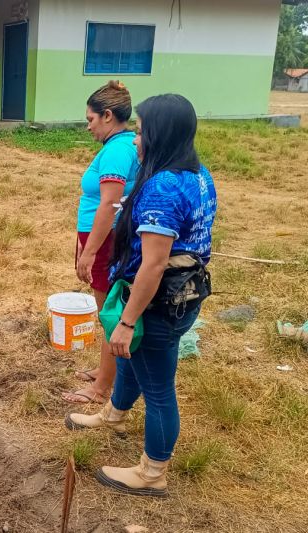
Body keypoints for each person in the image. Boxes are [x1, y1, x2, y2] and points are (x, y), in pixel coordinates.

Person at [65, 94, 216, 497]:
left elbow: (152, 264)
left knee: (159, 387)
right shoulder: (199, 174)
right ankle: (114, 413)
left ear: (160, 134)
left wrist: (128, 320)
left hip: (159, 301)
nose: (135, 140)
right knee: (128, 356)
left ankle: (153, 472)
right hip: (186, 291)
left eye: (142, 130)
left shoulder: (163, 187)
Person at [63, 81, 138, 404]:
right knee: (104, 305)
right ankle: (105, 370)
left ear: (108, 116)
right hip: (98, 236)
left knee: (107, 309)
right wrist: (83, 244)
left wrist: (91, 250)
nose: (88, 126)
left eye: (91, 120)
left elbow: (109, 204)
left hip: (107, 239)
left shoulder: (118, 151)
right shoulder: (117, 147)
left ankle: (101, 388)